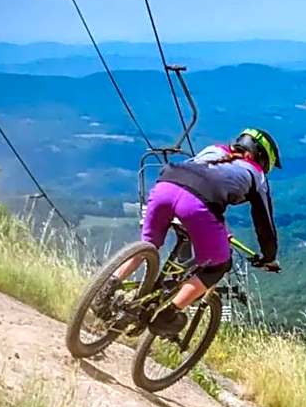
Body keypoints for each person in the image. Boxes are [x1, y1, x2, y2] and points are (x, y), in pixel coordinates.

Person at [96, 128, 281, 338]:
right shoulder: (257, 175)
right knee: (219, 265)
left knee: (147, 246)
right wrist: (269, 257)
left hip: (164, 188)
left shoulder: (214, 149)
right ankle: (168, 315)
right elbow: (264, 224)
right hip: (197, 207)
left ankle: (105, 288)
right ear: (261, 157)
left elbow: (194, 185)